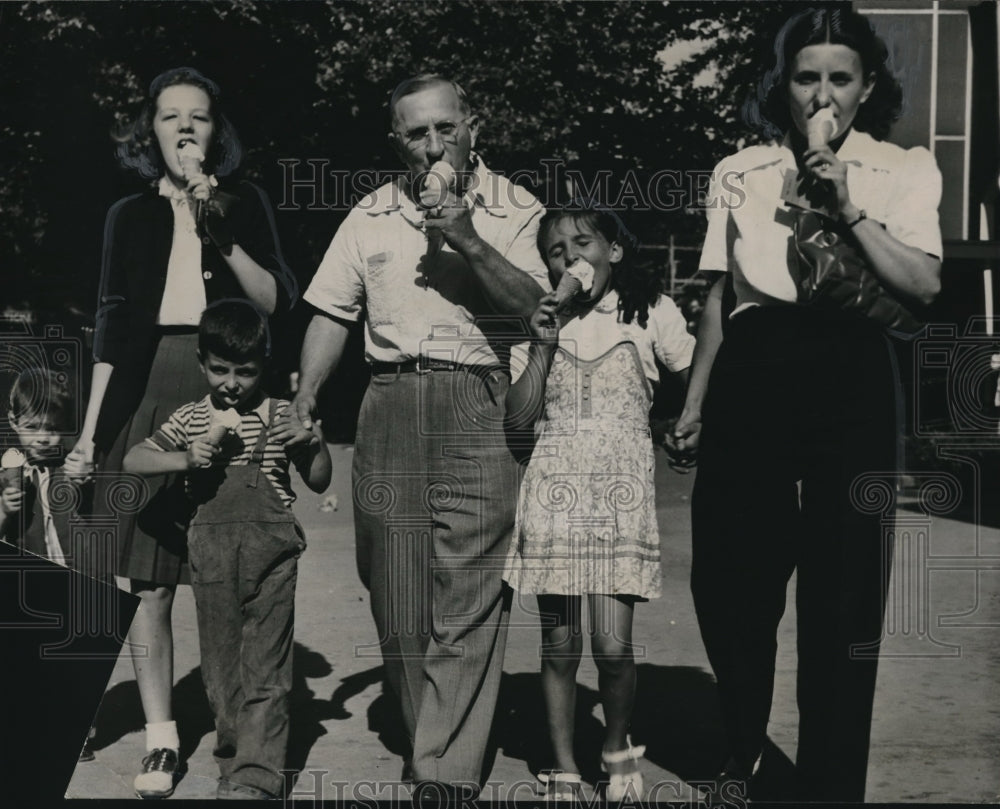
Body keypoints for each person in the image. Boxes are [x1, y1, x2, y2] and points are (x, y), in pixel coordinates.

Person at [668, 7, 942, 801]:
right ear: (782, 85)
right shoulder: (741, 169)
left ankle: (828, 784)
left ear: (867, 87)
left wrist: (848, 202)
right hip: (757, 365)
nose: (823, 93)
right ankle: (743, 736)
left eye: (840, 78)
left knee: (844, 586)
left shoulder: (905, 167)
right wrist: (695, 400)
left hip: (852, 364)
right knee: (727, 577)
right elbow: (723, 295)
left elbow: (924, 283)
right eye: (806, 76)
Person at [287, 74, 549, 797]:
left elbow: (536, 309)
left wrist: (464, 234)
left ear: (474, 126)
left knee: (469, 589)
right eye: (416, 133)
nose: (434, 144)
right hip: (390, 399)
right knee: (395, 591)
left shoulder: (519, 208)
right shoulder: (369, 215)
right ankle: (427, 733)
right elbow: (332, 312)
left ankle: (445, 770)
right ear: (396, 140)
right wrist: (307, 393)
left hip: (477, 397)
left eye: (446, 128)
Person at [70, 66, 297, 798]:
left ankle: (243, 736)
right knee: (147, 578)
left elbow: (274, 300)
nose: (186, 129)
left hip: (223, 380)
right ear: (153, 132)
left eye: (198, 117)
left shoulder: (243, 202)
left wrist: (219, 228)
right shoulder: (126, 217)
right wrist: (88, 432)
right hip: (145, 388)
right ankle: (163, 737)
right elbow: (110, 330)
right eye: (171, 117)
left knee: (228, 567)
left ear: (214, 132)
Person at [503, 203, 694, 801]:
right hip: (556, 488)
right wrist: (541, 343)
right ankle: (562, 764)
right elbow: (518, 417)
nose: (570, 259)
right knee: (561, 646)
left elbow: (697, 370)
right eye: (556, 252)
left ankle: (616, 749)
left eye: (583, 244)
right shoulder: (538, 321)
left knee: (613, 648)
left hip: (619, 494)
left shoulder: (650, 311)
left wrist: (692, 423)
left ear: (613, 251)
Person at [123, 299, 330, 800]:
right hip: (212, 560)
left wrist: (310, 443)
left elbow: (321, 481)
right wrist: (184, 457)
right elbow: (134, 460)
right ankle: (233, 760)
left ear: (265, 365)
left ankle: (255, 778)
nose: (231, 383)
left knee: (268, 669)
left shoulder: (282, 415)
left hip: (273, 558)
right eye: (219, 370)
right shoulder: (191, 417)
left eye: (246, 371)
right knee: (221, 671)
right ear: (201, 362)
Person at [0, 367, 105, 762]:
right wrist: (5, 507)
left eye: (53, 427)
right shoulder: (7, 468)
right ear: (13, 421)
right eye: (32, 428)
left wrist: (86, 477)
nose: (44, 437)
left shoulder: (75, 460)